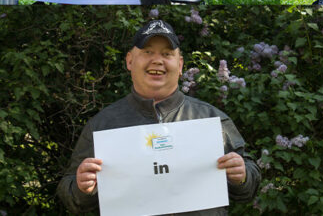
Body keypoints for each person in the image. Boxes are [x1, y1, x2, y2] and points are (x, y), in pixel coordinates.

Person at [56, 19, 260, 213]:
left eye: (166, 53)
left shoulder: (212, 120)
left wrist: (241, 176)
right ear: (129, 61)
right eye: (147, 52)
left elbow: (249, 185)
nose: (157, 60)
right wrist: (82, 187)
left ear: (180, 65)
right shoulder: (102, 126)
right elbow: (70, 194)